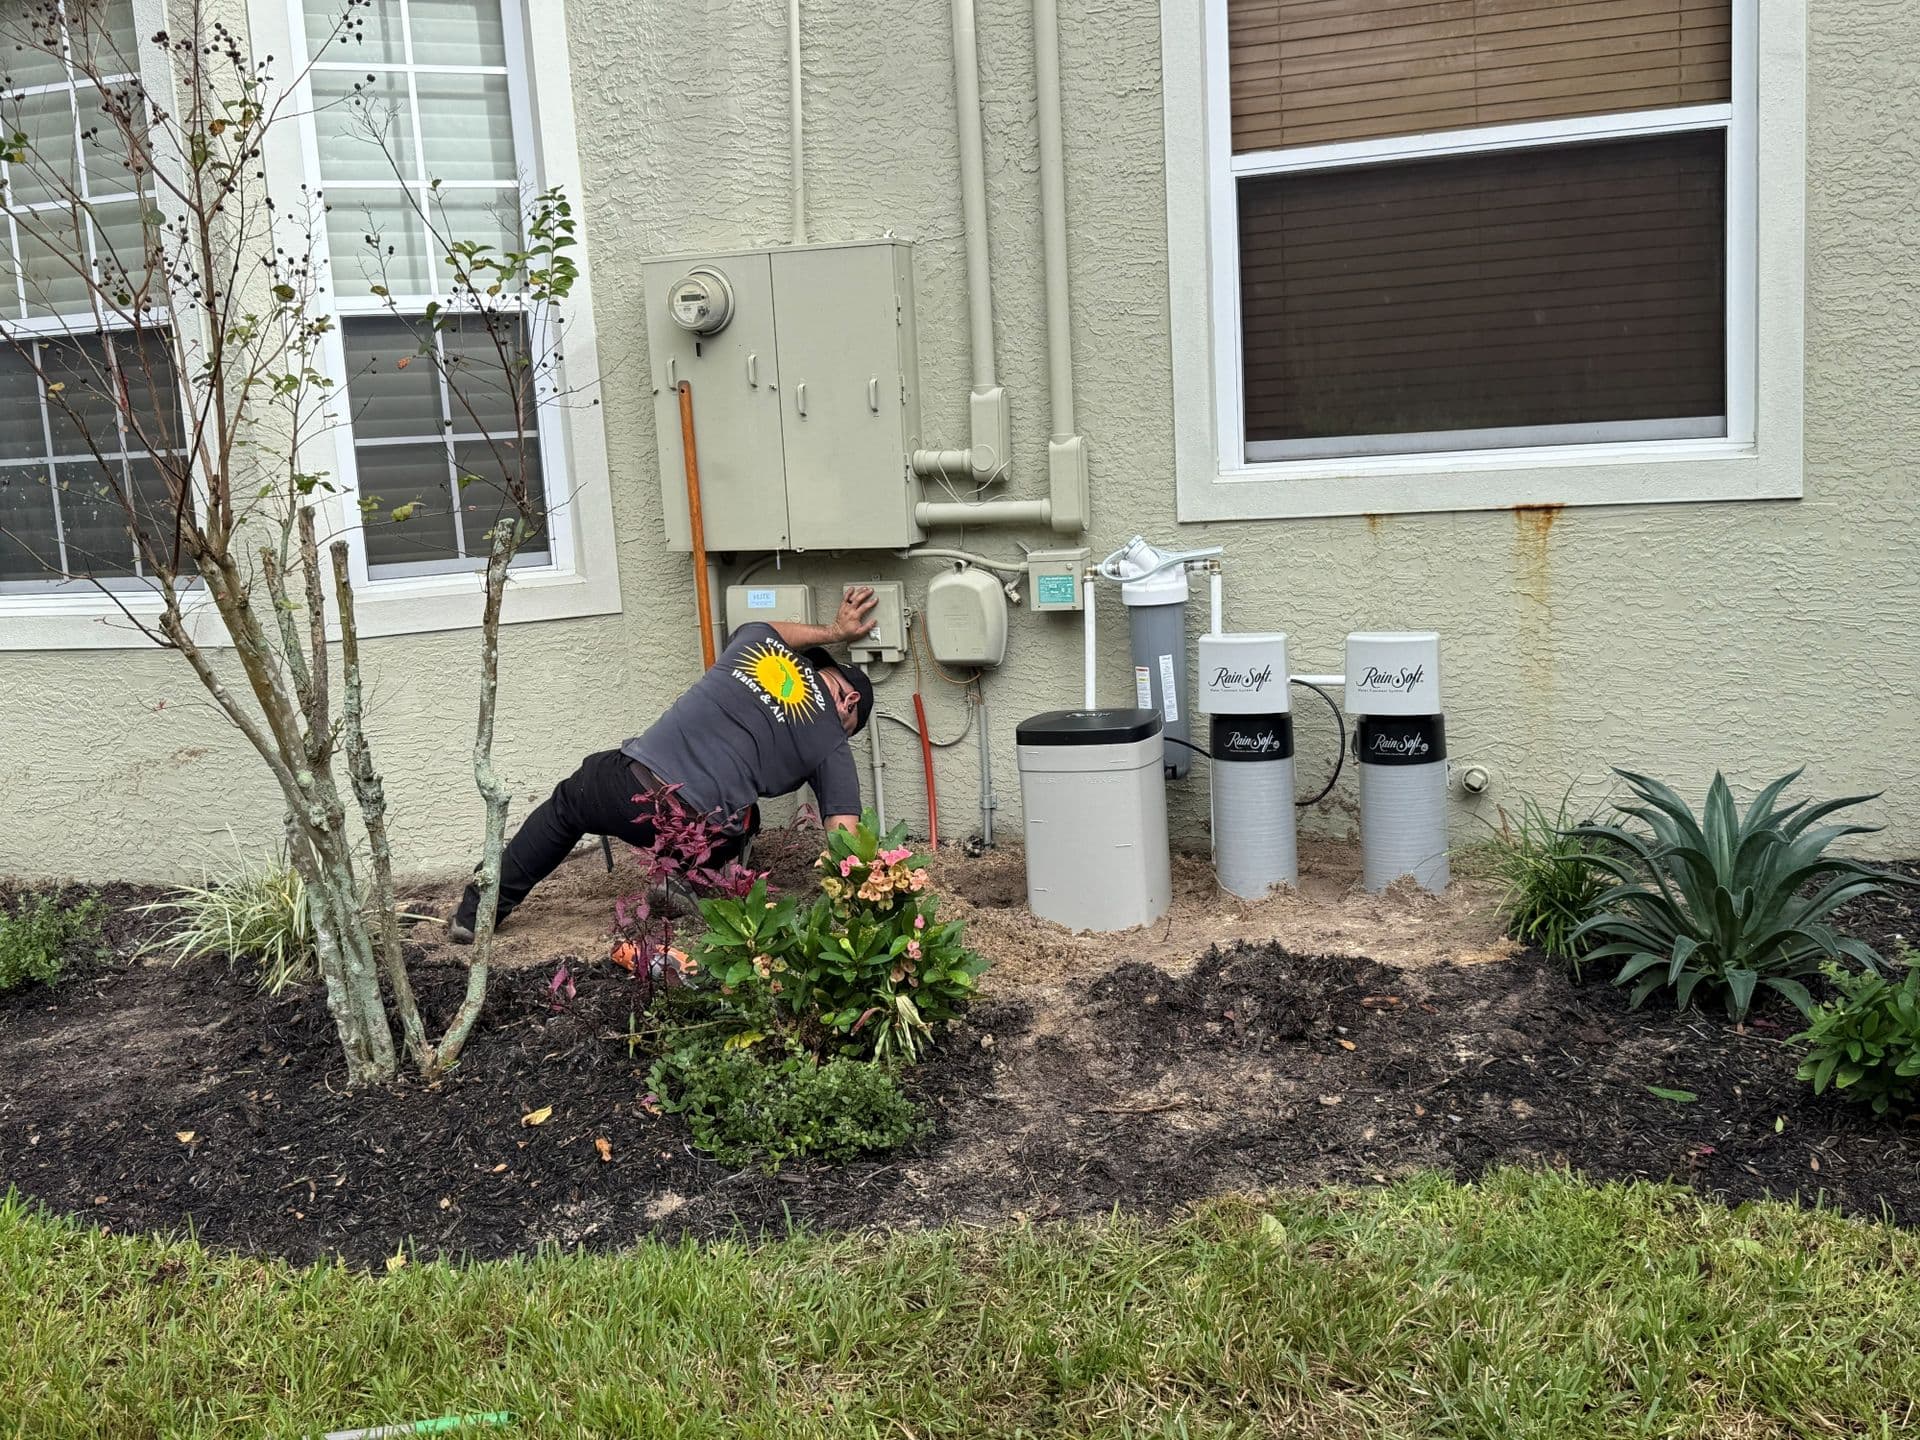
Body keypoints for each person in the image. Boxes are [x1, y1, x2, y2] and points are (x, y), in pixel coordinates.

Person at [448, 586, 880, 942]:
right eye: (850, 728)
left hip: (625, 788)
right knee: (743, 823)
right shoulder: (831, 742)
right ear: (850, 702)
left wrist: (833, 629)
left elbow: (773, 628)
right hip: (694, 832)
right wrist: (868, 910)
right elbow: (844, 838)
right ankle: (692, 881)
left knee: (568, 803)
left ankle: (477, 913)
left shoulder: (755, 644)